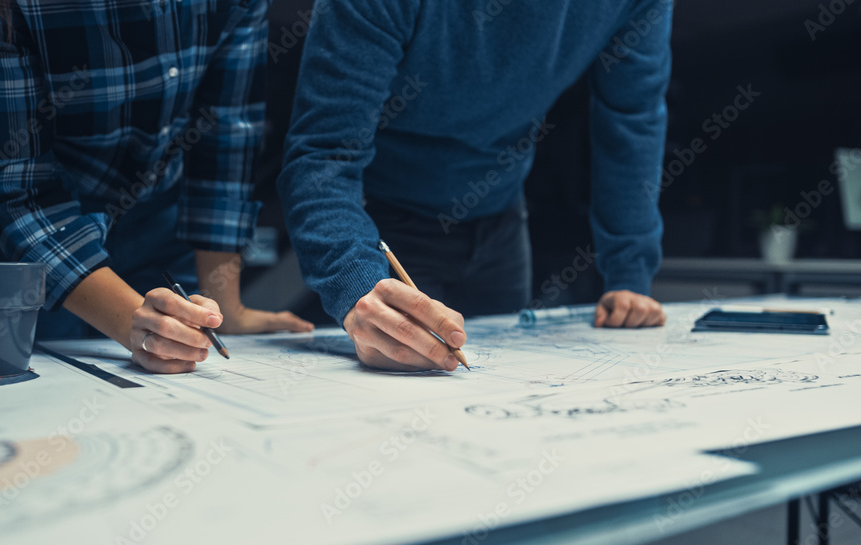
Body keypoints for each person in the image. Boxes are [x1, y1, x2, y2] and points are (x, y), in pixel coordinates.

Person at [278, 0, 672, 372]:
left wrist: (629, 278)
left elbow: (633, 120)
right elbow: (325, 155)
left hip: (501, 216)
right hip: (376, 223)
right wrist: (356, 280)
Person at [0, 0, 312, 373]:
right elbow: (15, 184)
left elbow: (224, 137)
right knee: (35, 402)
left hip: (158, 219)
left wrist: (225, 309)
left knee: (181, 382)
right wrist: (134, 323)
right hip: (25, 238)